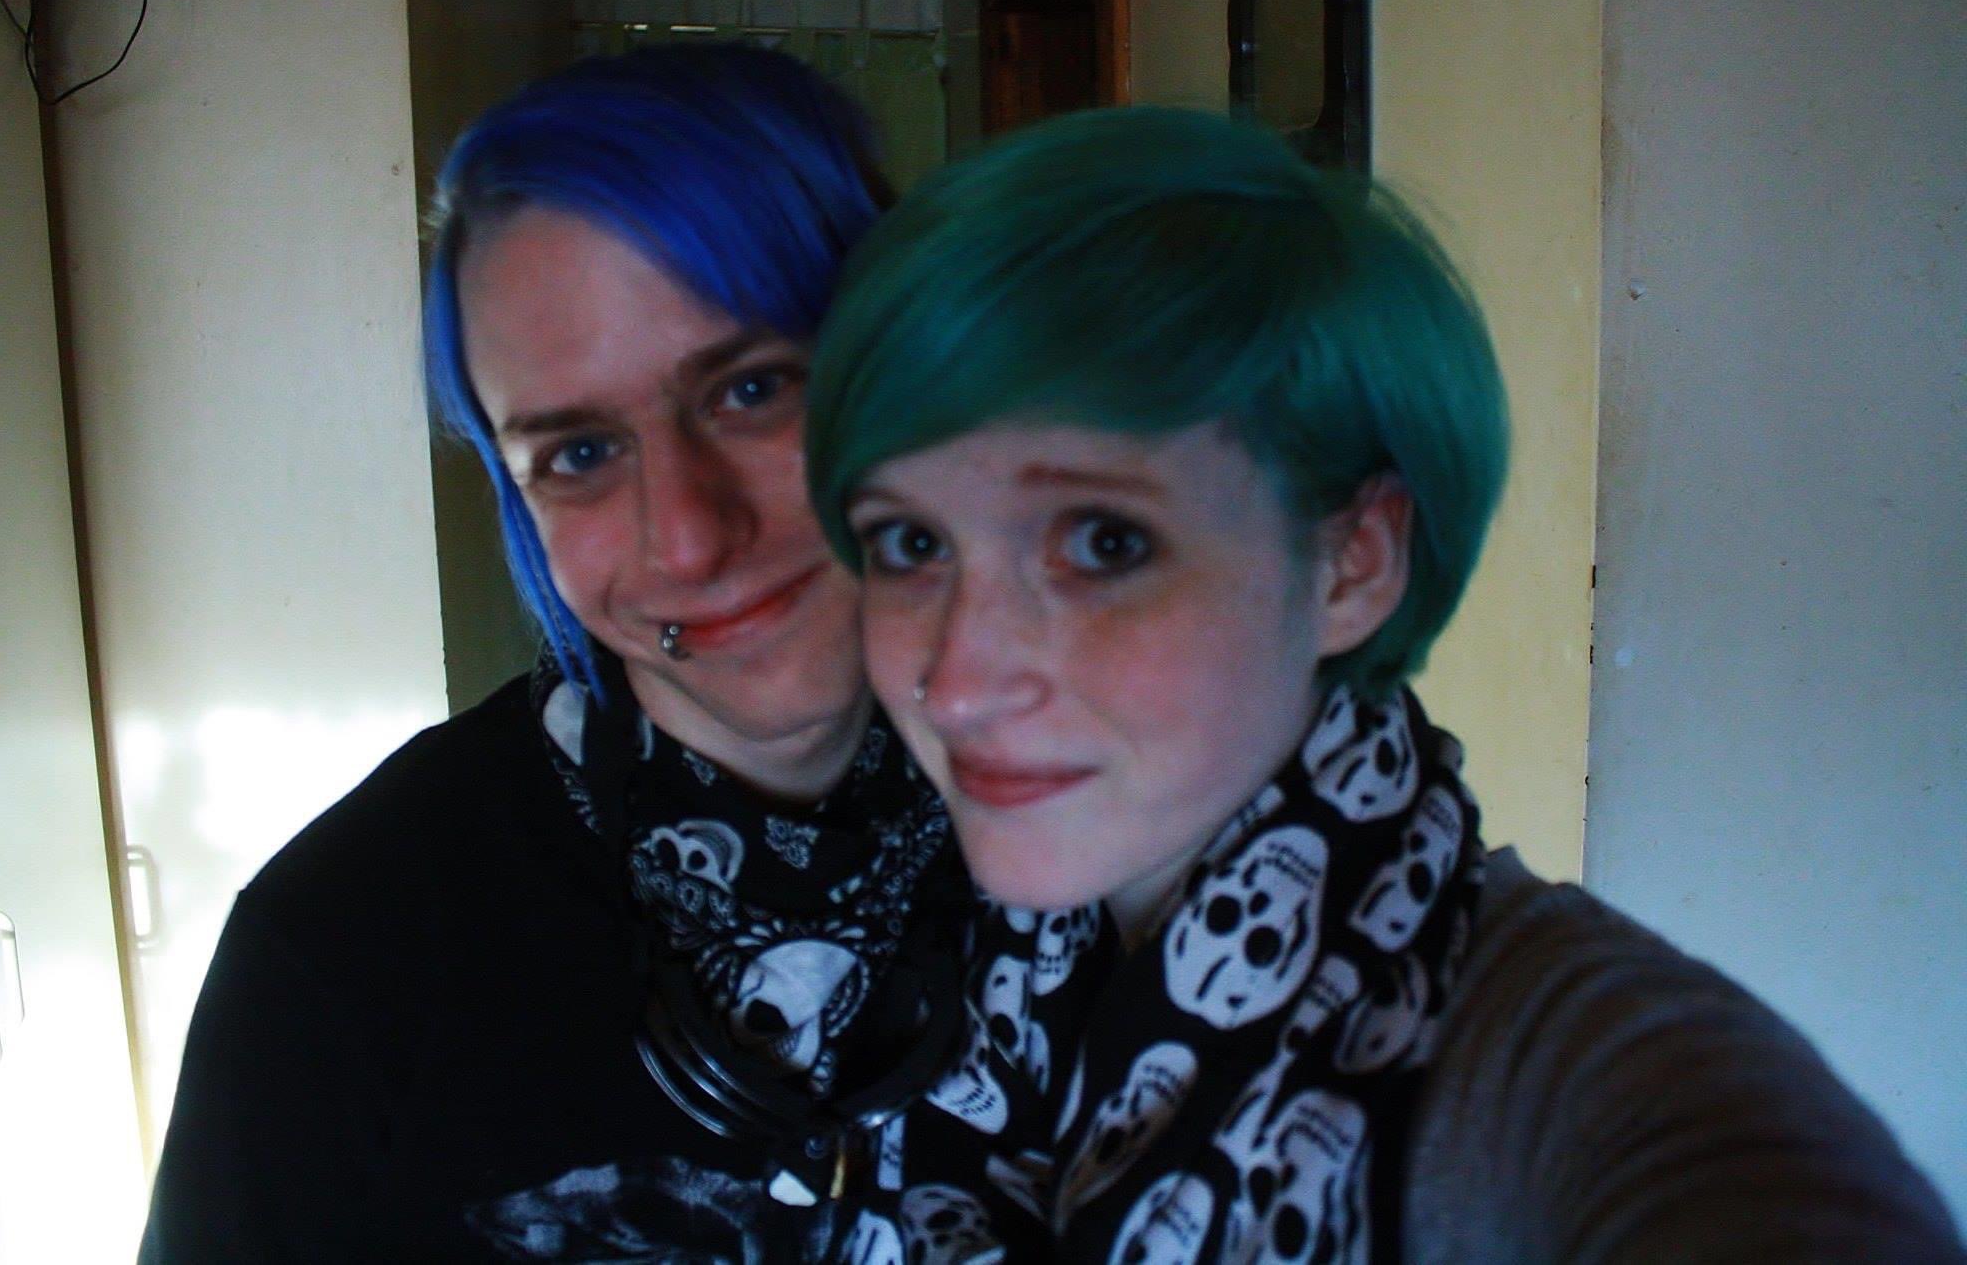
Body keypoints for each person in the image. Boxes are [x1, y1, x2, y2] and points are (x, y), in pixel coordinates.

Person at [805, 107, 1963, 1262]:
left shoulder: (1553, 1060)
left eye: (1101, 543)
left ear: (1353, 564)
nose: (956, 683)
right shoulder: (945, 953)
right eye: (910, 544)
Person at [140, 45, 969, 1263]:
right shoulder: (344, 951)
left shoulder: (1108, 813)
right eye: (578, 455)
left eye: (751, 391)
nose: (688, 537)